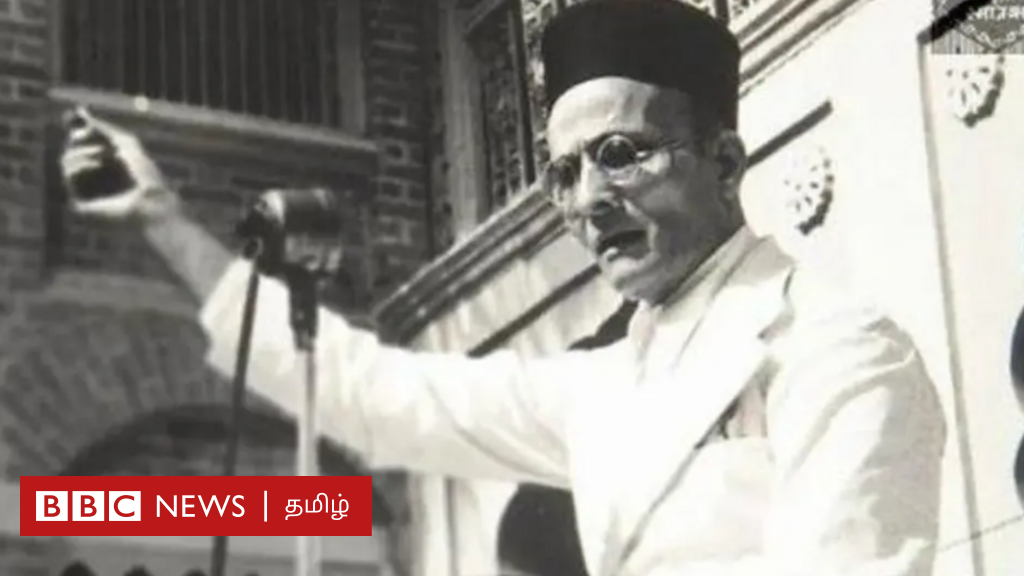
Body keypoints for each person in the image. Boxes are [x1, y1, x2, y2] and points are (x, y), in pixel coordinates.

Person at [59, 0, 948, 574]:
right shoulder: (600, 385)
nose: (591, 200)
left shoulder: (836, 346)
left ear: (723, 162)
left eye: (622, 154)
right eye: (564, 172)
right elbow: (377, 393)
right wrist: (164, 220)